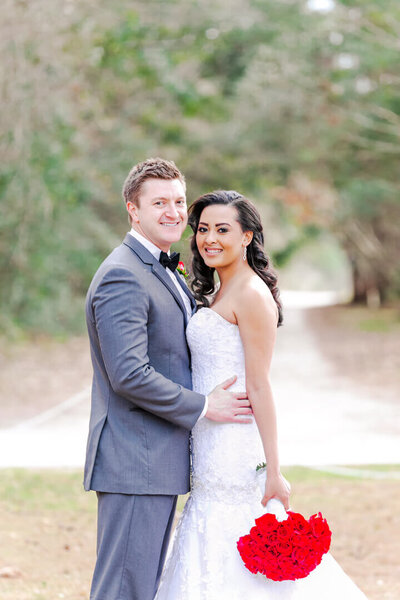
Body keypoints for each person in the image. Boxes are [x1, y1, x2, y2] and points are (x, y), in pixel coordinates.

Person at [155, 190, 368, 599]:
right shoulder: (221, 289)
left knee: (233, 523)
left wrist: (274, 469)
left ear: (248, 236)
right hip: (209, 432)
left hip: (235, 438)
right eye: (202, 229)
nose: (209, 239)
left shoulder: (252, 295)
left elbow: (260, 385)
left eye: (222, 229)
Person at [84, 161, 253, 600]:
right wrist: (203, 406)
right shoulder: (123, 274)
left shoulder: (163, 270)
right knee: (124, 589)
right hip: (135, 461)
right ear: (132, 211)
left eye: (179, 201)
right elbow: (129, 374)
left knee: (141, 588)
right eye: (159, 202)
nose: (174, 212)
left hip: (156, 460)